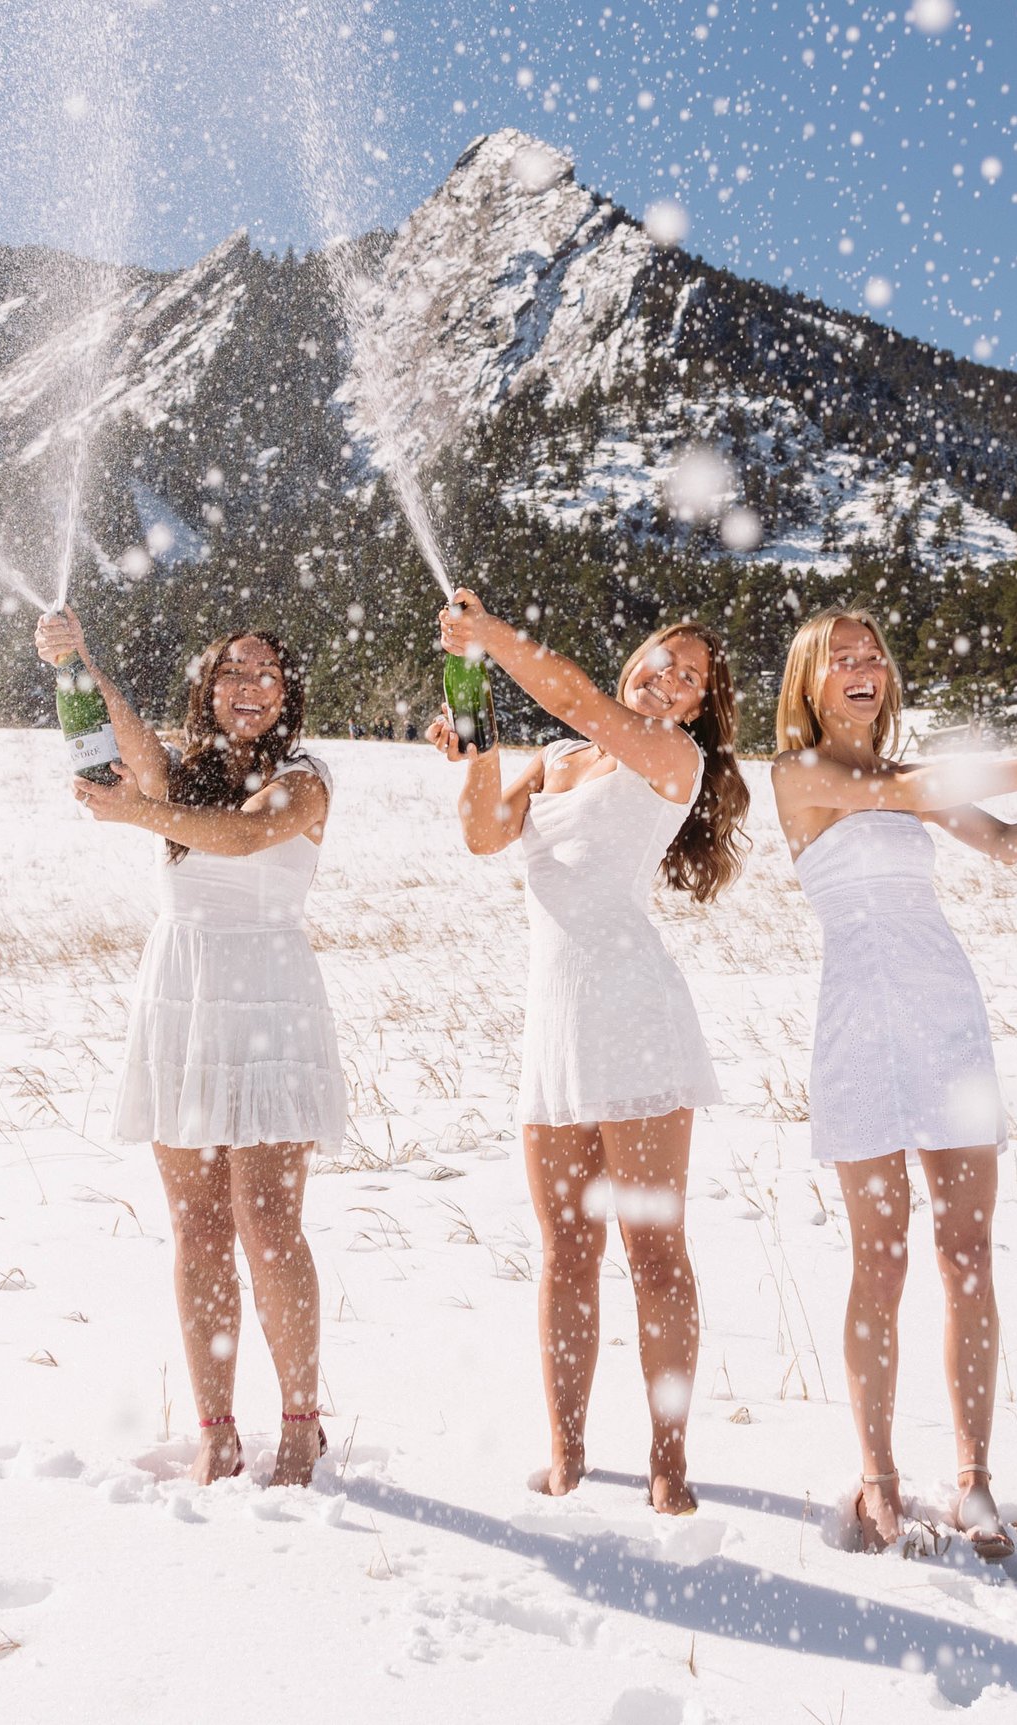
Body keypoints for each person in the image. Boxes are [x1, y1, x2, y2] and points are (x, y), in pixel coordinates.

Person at [769, 609, 1017, 1557]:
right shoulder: (803, 774)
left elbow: (1005, 843)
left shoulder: (904, 777)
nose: (862, 667)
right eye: (840, 657)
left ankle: (973, 1480)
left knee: (968, 1253)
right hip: (857, 1028)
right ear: (807, 680)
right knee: (879, 1259)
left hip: (945, 1017)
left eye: (873, 653)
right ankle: (878, 1478)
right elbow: (913, 784)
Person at [426, 591, 749, 1515]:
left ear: (695, 712)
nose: (671, 679)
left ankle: (668, 1458)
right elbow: (483, 834)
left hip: (638, 1020)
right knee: (566, 1248)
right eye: (664, 657)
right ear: (636, 656)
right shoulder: (556, 763)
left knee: (654, 1252)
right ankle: (567, 1452)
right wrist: (481, 750)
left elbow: (575, 698)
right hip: (554, 1028)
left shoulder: (670, 757)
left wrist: (493, 636)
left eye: (691, 679)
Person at [35, 609, 347, 1489]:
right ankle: (214, 1426)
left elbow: (246, 836)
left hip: (268, 998)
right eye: (231, 672)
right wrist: (81, 660)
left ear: (288, 697)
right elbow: (133, 751)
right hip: (182, 992)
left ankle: (298, 1423)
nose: (247, 688)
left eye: (265, 675)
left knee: (268, 1221)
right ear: (207, 687)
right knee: (200, 1227)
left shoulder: (305, 779)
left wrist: (139, 814)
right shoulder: (180, 773)